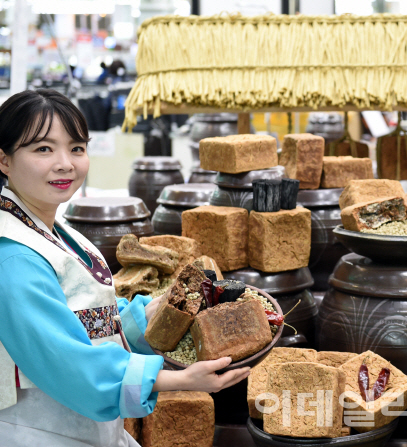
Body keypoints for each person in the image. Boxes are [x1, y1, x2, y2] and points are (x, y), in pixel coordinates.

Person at [0, 89, 250, 446]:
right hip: (40, 433)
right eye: (43, 149)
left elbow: (89, 319)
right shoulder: (13, 255)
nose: (65, 163)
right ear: (4, 160)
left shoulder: (56, 232)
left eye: (76, 148)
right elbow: (67, 362)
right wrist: (178, 380)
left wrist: (160, 312)